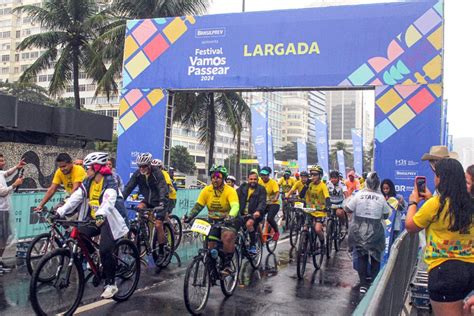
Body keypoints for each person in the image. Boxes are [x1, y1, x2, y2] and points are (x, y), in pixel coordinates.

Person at [54, 152, 129, 299]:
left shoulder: (109, 182)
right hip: (95, 218)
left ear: (96, 168)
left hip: (109, 219)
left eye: (87, 168)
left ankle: (111, 284)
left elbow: (108, 200)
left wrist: (101, 213)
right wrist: (60, 212)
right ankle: (94, 256)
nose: (85, 170)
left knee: (106, 250)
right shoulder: (88, 181)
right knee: (78, 234)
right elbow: (75, 197)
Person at [406, 159, 473, 316]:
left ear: (441, 178)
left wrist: (413, 203)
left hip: (444, 271)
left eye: (436, 175)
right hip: (470, 269)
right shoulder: (470, 204)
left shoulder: (436, 204)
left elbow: (411, 226)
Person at [184, 165, 240, 275]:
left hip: (229, 220)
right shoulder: (207, 190)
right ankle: (212, 268)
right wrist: (189, 217)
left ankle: (227, 265)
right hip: (213, 221)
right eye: (213, 177)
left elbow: (235, 206)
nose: (215, 179)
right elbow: (198, 206)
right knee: (211, 245)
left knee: (227, 236)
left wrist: (230, 216)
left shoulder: (230, 191)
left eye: (218, 177)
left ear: (223, 178)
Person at [345, 172, 391, 295]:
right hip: (376, 232)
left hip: (358, 231)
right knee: (375, 258)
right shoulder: (381, 198)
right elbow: (386, 214)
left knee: (362, 257)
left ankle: (363, 285)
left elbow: (348, 208)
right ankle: (374, 285)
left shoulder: (359, 195)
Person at [122, 153, 168, 266]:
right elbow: (129, 187)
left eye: (144, 166)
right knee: (139, 209)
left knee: (158, 225)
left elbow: (162, 187)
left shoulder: (157, 173)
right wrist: (120, 199)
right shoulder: (138, 174)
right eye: (139, 166)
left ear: (149, 165)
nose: (141, 169)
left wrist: (162, 202)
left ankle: (162, 250)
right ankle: (143, 235)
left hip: (161, 201)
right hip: (148, 200)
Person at [0, 155, 25, 274]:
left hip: (4, 209)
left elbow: (6, 173)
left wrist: (16, 167)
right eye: (0, 160)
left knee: (5, 236)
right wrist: (15, 184)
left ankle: (0, 260)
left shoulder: (0, 173)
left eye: (3, 160)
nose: (3, 162)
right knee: (1, 237)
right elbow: (2, 192)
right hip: (0, 210)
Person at [237, 170, 267, 254]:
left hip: (254, 214)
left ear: (257, 180)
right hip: (241, 213)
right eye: (251, 179)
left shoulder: (261, 189)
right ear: (248, 179)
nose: (253, 181)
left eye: (255, 179)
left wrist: (258, 211)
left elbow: (262, 202)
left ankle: (253, 245)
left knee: (249, 224)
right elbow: (234, 197)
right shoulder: (243, 187)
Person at [301, 165, 331, 248]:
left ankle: (322, 243)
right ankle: (304, 245)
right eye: (311, 175)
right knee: (305, 228)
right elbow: (301, 195)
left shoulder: (323, 185)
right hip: (310, 210)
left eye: (315, 175)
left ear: (320, 176)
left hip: (320, 211)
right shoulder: (309, 184)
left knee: (317, 229)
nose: (312, 177)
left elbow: (327, 197)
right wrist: (306, 185)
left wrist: (328, 206)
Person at [258, 166, 281, 241]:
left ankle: (277, 232)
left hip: (274, 204)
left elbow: (277, 192)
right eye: (262, 175)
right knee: (257, 216)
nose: (263, 177)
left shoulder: (273, 182)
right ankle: (258, 233)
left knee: (269, 218)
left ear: (268, 175)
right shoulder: (259, 181)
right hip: (264, 203)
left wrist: (275, 198)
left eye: (265, 175)